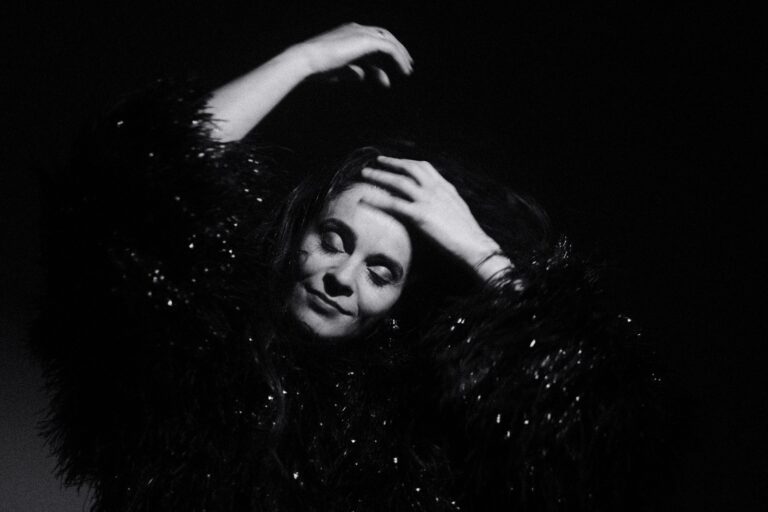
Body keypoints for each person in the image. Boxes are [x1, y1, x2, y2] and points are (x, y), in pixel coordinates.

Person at [34, 24, 667, 511]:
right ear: (296, 231)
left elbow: (591, 428)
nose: (342, 276)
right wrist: (300, 60)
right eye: (334, 239)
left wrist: (477, 247)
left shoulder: (416, 428)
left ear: (403, 301)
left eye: (381, 272)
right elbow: (135, 185)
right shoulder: (193, 344)